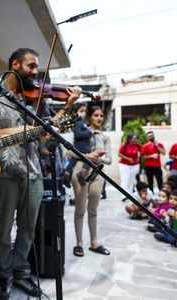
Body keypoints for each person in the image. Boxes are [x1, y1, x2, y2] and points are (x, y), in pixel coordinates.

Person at [0, 47, 81, 299]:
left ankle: (21, 272)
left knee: (28, 228)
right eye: (31, 66)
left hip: (33, 172)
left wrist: (68, 105)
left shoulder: (34, 100)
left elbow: (49, 131)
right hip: (5, 169)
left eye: (36, 67)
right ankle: (3, 275)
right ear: (15, 65)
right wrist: (30, 129)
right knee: (3, 229)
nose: (35, 72)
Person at [68, 105, 112, 257]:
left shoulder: (105, 137)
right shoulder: (81, 131)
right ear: (89, 117)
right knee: (80, 209)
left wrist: (97, 157)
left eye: (101, 115)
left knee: (93, 210)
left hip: (98, 173)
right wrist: (87, 156)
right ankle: (79, 244)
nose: (99, 118)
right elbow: (69, 151)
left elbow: (109, 159)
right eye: (96, 115)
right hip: (80, 170)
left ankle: (94, 243)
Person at [63, 102, 90, 188]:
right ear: (75, 113)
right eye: (81, 111)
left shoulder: (79, 123)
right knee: (89, 159)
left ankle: (66, 174)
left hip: (78, 147)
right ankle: (82, 172)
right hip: (83, 147)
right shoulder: (79, 123)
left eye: (85, 111)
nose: (84, 113)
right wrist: (89, 133)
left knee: (73, 161)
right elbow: (78, 135)